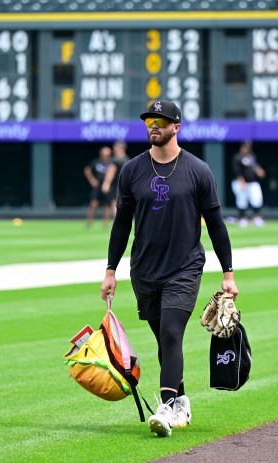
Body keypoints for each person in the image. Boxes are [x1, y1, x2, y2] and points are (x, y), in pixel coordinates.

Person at [100, 100, 239, 438]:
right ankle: (182, 399)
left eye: (161, 121)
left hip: (185, 268)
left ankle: (165, 406)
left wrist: (228, 272)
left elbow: (217, 225)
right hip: (144, 271)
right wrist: (110, 270)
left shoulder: (197, 170)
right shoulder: (132, 170)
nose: (154, 126)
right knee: (164, 341)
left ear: (176, 127)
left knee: (172, 333)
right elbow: (121, 224)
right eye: (150, 120)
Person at [231, 141, 266, 227]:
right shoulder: (237, 157)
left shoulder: (251, 156)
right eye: (245, 147)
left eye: (248, 147)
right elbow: (236, 170)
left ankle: (256, 218)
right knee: (242, 201)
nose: (246, 149)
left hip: (252, 182)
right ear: (241, 147)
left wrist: (259, 171)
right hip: (240, 182)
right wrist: (241, 181)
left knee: (257, 199)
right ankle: (242, 218)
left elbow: (254, 166)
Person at [84, 146, 113, 229]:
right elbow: (87, 170)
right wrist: (92, 180)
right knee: (93, 204)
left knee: (107, 205)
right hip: (97, 187)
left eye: (107, 155)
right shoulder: (96, 162)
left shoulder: (111, 163)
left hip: (107, 187)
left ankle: (106, 224)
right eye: (104, 154)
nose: (105, 156)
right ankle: (89, 223)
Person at [101, 140, 130, 219]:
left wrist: (106, 183)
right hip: (126, 186)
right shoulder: (128, 159)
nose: (114, 150)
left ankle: (117, 222)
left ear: (120, 148)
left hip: (117, 186)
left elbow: (111, 172)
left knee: (115, 204)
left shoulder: (115, 160)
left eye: (115, 148)